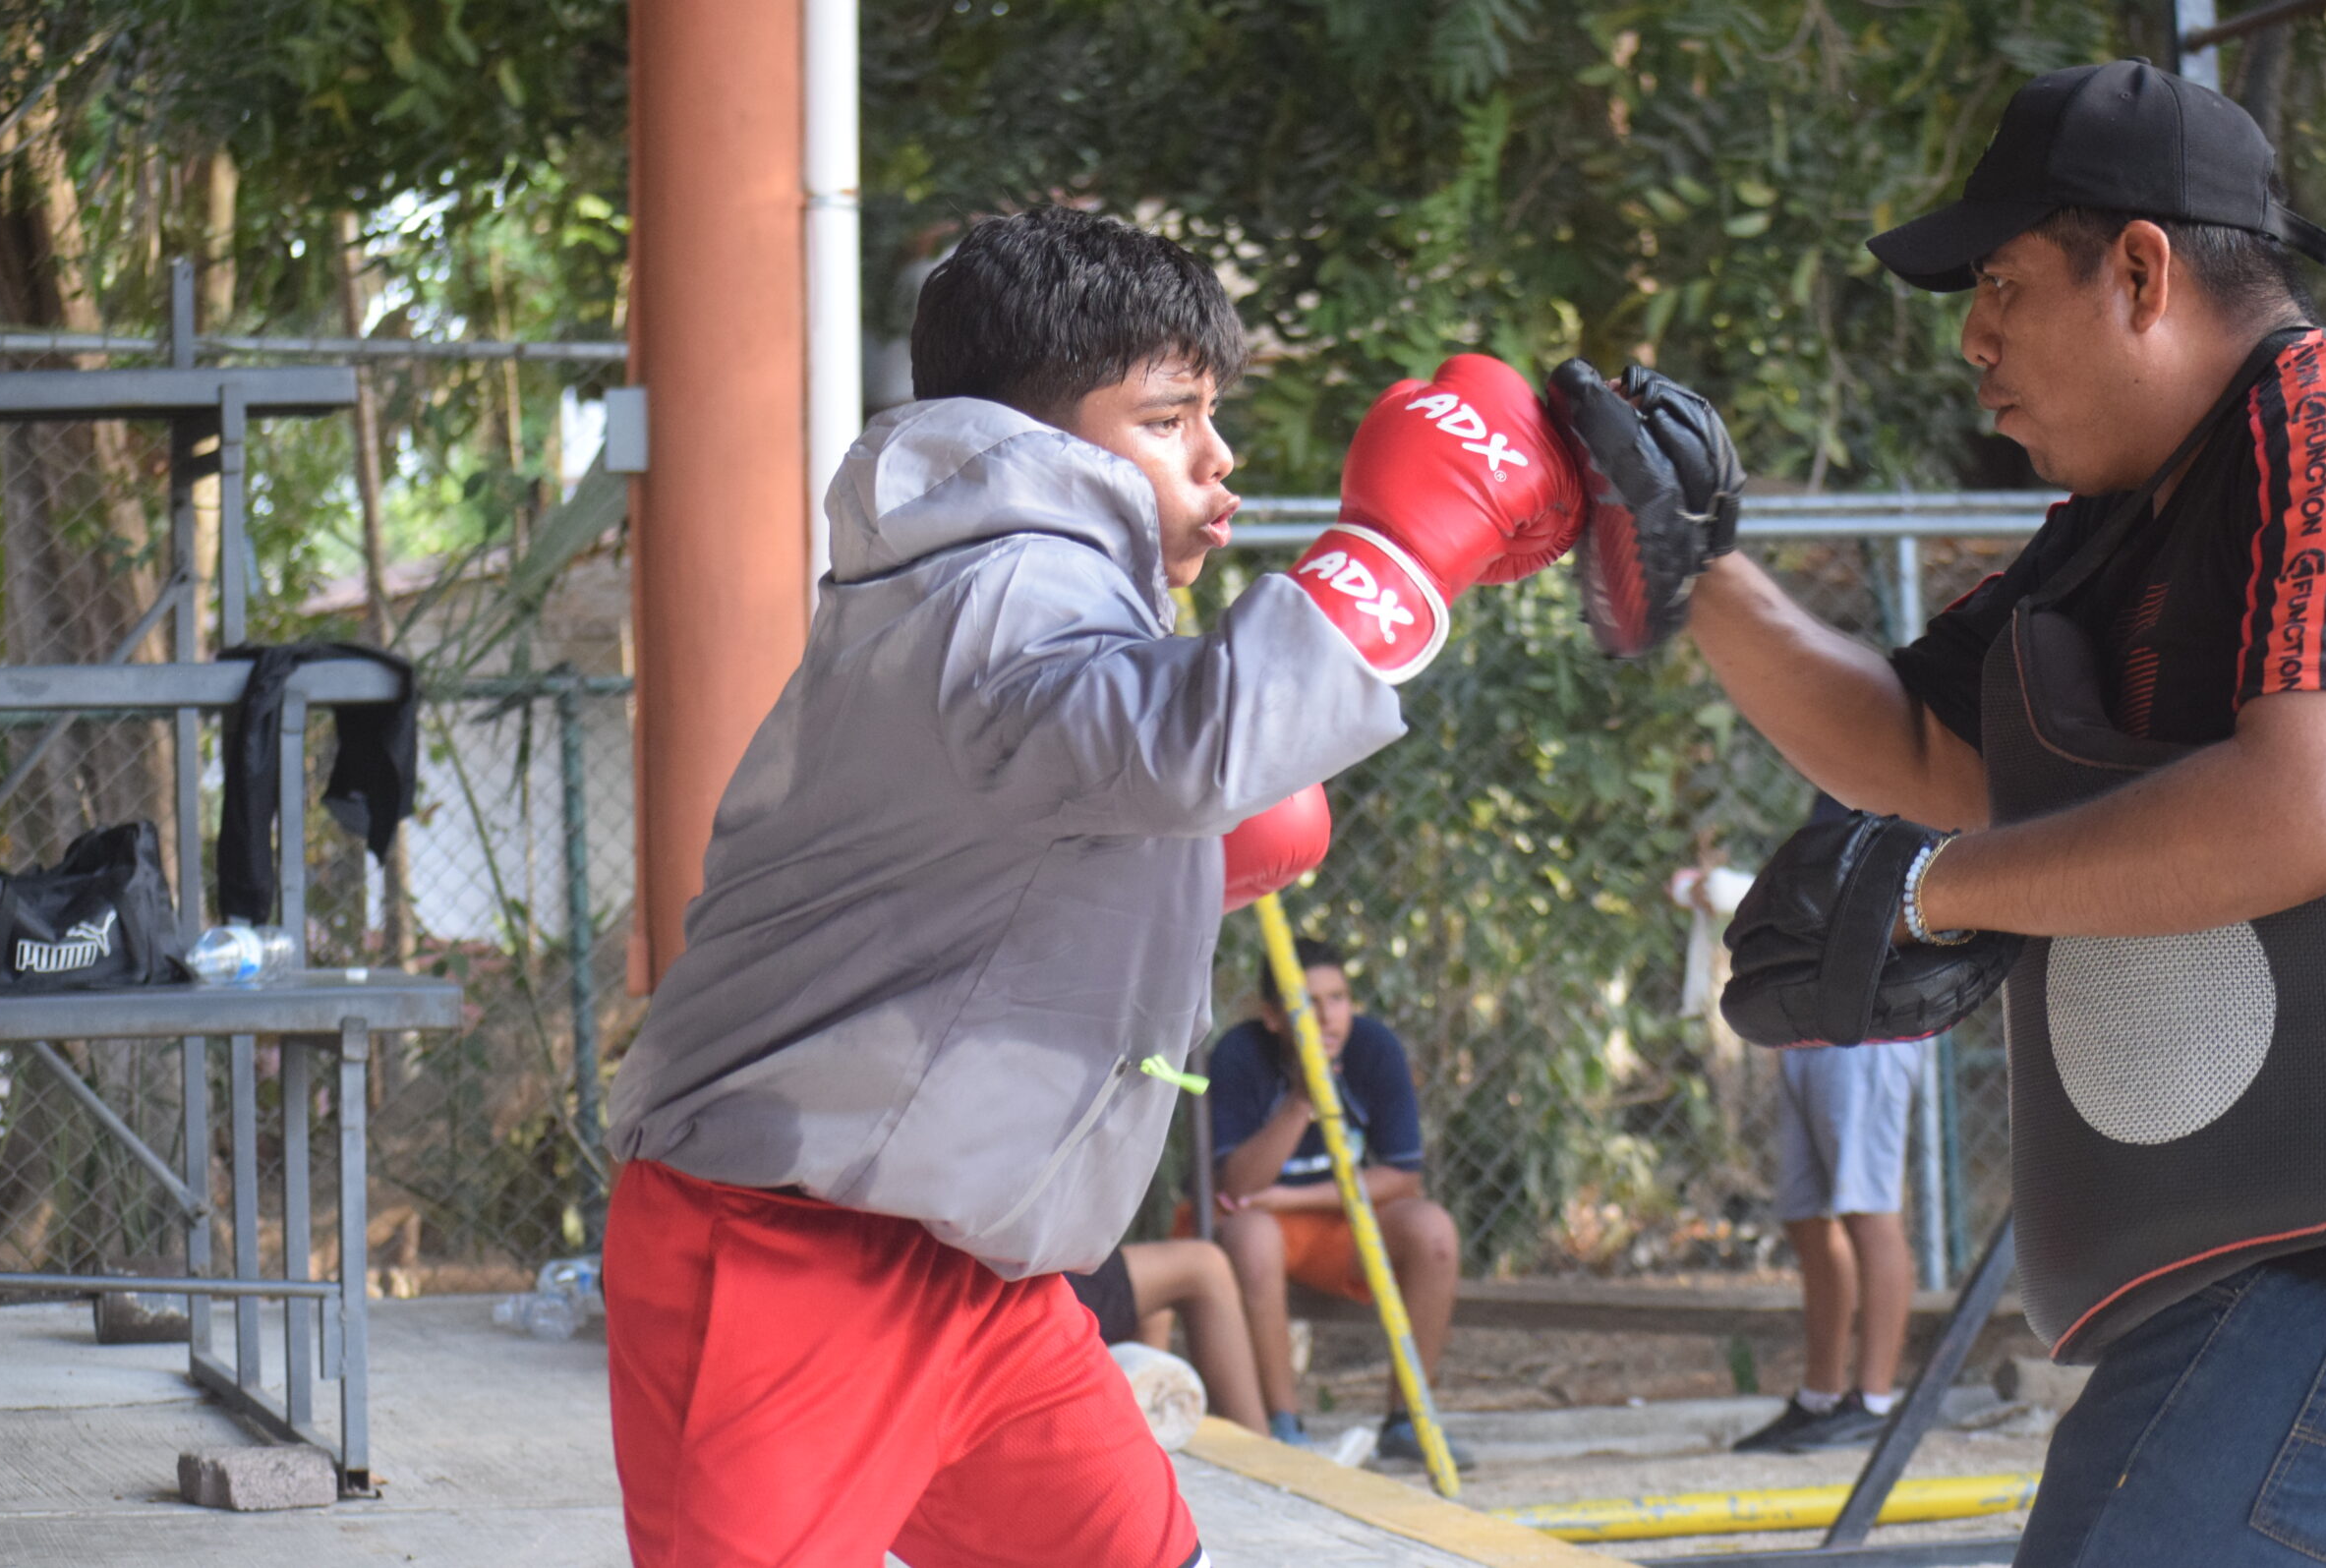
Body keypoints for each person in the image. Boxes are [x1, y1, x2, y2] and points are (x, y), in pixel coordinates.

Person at [598, 205, 1590, 1566]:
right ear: (1037, 440)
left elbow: (1083, 795)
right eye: (1170, 417)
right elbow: (1188, 739)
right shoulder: (1004, 586)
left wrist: (1183, 868)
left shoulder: (1008, 585)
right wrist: (1416, 542)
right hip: (797, 1245)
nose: (1219, 455)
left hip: (979, 1259)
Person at [1552, 61, 2326, 1566]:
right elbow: (1916, 744)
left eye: (1999, 282)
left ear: (2140, 271)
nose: (1972, 337)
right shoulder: (2128, 513)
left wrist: (1943, 891)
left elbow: (2315, 807)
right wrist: (1687, 562)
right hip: (2283, 1263)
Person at [1201, 938, 1468, 1469]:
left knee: (1433, 1230)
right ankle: (1283, 1423)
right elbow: (1237, 1187)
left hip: (1333, 1219)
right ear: (1273, 1016)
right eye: (1307, 1002)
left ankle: (1407, 1418)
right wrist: (1302, 1100)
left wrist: (1294, 1198)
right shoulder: (1238, 1053)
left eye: (1339, 998)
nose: (1327, 1016)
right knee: (1253, 1236)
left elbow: (1402, 1176)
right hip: (1252, 1225)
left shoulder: (1374, 1048)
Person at [1731, 796, 1924, 1455]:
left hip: (1871, 1024)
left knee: (1869, 1210)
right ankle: (1820, 1396)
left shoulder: (1904, 778)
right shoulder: (1831, 785)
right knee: (1808, 1213)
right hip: (1809, 1025)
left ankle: (1871, 1400)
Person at [1064, 1240, 1269, 1432]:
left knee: (1157, 1311)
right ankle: (1259, 1451)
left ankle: (1146, 1440)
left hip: (1053, 1271)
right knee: (1206, 1265)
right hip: (1048, 1284)